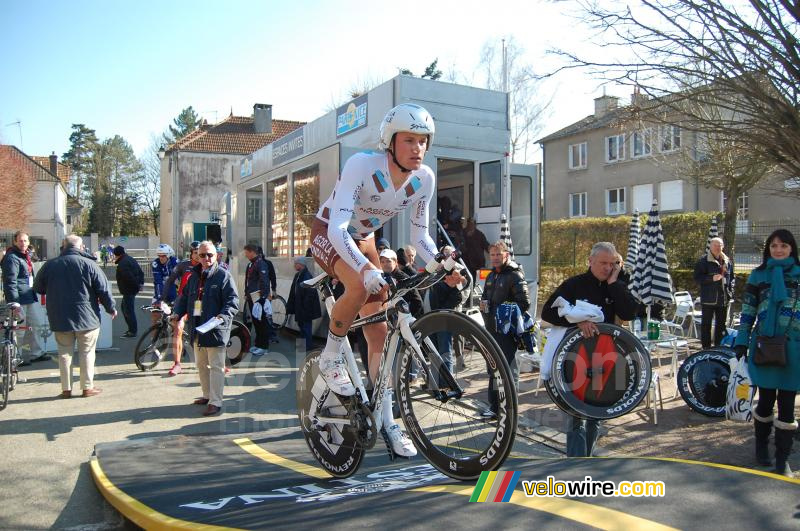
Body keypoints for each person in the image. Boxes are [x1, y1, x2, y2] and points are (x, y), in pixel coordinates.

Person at [308, 103, 445, 457]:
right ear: (391, 141)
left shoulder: (424, 179)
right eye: (409, 140)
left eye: (423, 141)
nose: (417, 148)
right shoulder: (362, 165)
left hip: (366, 238)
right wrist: (366, 269)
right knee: (358, 284)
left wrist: (443, 261)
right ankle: (331, 356)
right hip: (330, 231)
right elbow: (338, 228)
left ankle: (388, 421)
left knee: (380, 337)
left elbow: (419, 236)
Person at [540, 241, 640, 457]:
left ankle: (588, 458)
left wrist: (614, 284)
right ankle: (576, 463)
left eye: (612, 263)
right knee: (575, 414)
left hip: (606, 358)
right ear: (590, 261)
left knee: (597, 414)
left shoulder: (617, 284)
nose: (608, 267)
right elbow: (548, 312)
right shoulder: (574, 285)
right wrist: (577, 321)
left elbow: (630, 313)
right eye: (603, 263)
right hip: (576, 360)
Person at [733, 229, 800, 477]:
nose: (778, 250)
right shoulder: (758, 275)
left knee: (787, 406)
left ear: (792, 248)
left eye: (783, 245)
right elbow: (748, 311)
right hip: (763, 348)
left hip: (794, 350)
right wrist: (741, 341)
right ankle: (761, 447)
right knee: (764, 403)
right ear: (768, 249)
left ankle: (783, 459)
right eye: (774, 246)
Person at [33, 234, 116, 398]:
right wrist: (111, 308)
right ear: (81, 247)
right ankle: (87, 388)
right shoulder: (89, 264)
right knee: (87, 352)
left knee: (64, 353)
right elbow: (103, 289)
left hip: (59, 315)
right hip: (87, 316)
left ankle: (66, 389)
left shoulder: (50, 265)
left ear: (63, 247)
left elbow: (38, 288)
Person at [172, 241, 239, 416]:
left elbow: (232, 302)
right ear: (196, 256)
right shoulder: (193, 276)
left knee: (216, 366)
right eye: (202, 255)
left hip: (215, 329)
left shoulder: (224, 276)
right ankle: (207, 395)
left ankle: (215, 402)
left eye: (210, 254)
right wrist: (177, 313)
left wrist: (222, 316)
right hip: (197, 328)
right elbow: (184, 298)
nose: (206, 258)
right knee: (201, 364)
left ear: (216, 255)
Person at [479, 241, 530, 419]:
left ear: (506, 255)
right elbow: (485, 298)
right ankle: (494, 407)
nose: (494, 258)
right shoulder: (491, 275)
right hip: (491, 330)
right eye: (492, 255)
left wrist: (504, 315)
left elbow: (524, 303)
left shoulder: (515, 275)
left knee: (507, 371)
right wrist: (483, 305)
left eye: (498, 254)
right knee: (493, 369)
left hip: (507, 333)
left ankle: (509, 411)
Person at [1, 231, 49, 365]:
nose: (23, 243)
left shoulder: (24, 256)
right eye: (20, 241)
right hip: (19, 299)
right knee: (19, 330)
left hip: (28, 296)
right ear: (15, 242)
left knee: (35, 325)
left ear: (29, 242)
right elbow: (10, 281)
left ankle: (36, 353)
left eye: (25, 241)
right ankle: (16, 357)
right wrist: (14, 302)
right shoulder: (12, 258)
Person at [161, 241, 201, 376]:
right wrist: (162, 298)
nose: (198, 256)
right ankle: (177, 364)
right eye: (196, 253)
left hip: (198, 302)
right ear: (191, 254)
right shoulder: (183, 265)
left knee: (200, 328)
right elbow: (169, 281)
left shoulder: (205, 265)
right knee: (177, 328)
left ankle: (217, 363)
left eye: (200, 253)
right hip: (182, 299)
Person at [694, 237, 735, 349]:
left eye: (719, 245)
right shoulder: (703, 261)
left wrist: (730, 291)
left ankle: (718, 348)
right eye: (715, 245)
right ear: (710, 247)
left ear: (723, 246)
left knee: (721, 325)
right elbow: (697, 278)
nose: (717, 248)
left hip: (723, 299)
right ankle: (706, 348)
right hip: (708, 299)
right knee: (706, 325)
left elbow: (732, 278)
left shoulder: (727, 261)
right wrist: (711, 278)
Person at [287, 256, 322, 352]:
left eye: (295, 264)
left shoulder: (306, 275)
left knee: (306, 327)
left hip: (305, 307)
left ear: (300, 264)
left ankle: (307, 346)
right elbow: (293, 291)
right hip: (300, 306)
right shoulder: (298, 275)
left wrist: (305, 308)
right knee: (302, 326)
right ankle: (302, 346)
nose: (294, 266)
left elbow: (310, 294)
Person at [243, 243, 272, 356]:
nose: (245, 255)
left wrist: (263, 298)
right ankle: (258, 344)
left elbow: (265, 281)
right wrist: (246, 293)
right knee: (256, 322)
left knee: (262, 322)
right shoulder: (251, 264)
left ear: (252, 252)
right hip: (252, 297)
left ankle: (264, 347)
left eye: (246, 252)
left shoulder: (261, 263)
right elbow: (248, 281)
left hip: (259, 298)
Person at [379, 248, 423, 317]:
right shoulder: (381, 277)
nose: (385, 264)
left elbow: (417, 301)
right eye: (382, 262)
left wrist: (407, 317)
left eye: (388, 261)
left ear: (395, 262)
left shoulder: (402, 277)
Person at [112, 246, 144, 338]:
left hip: (128, 290)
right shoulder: (130, 259)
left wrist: (137, 285)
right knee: (125, 308)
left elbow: (128, 277)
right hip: (131, 289)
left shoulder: (123, 263)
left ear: (117, 255)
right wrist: (140, 284)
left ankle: (132, 331)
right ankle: (131, 330)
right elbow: (141, 272)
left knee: (128, 310)